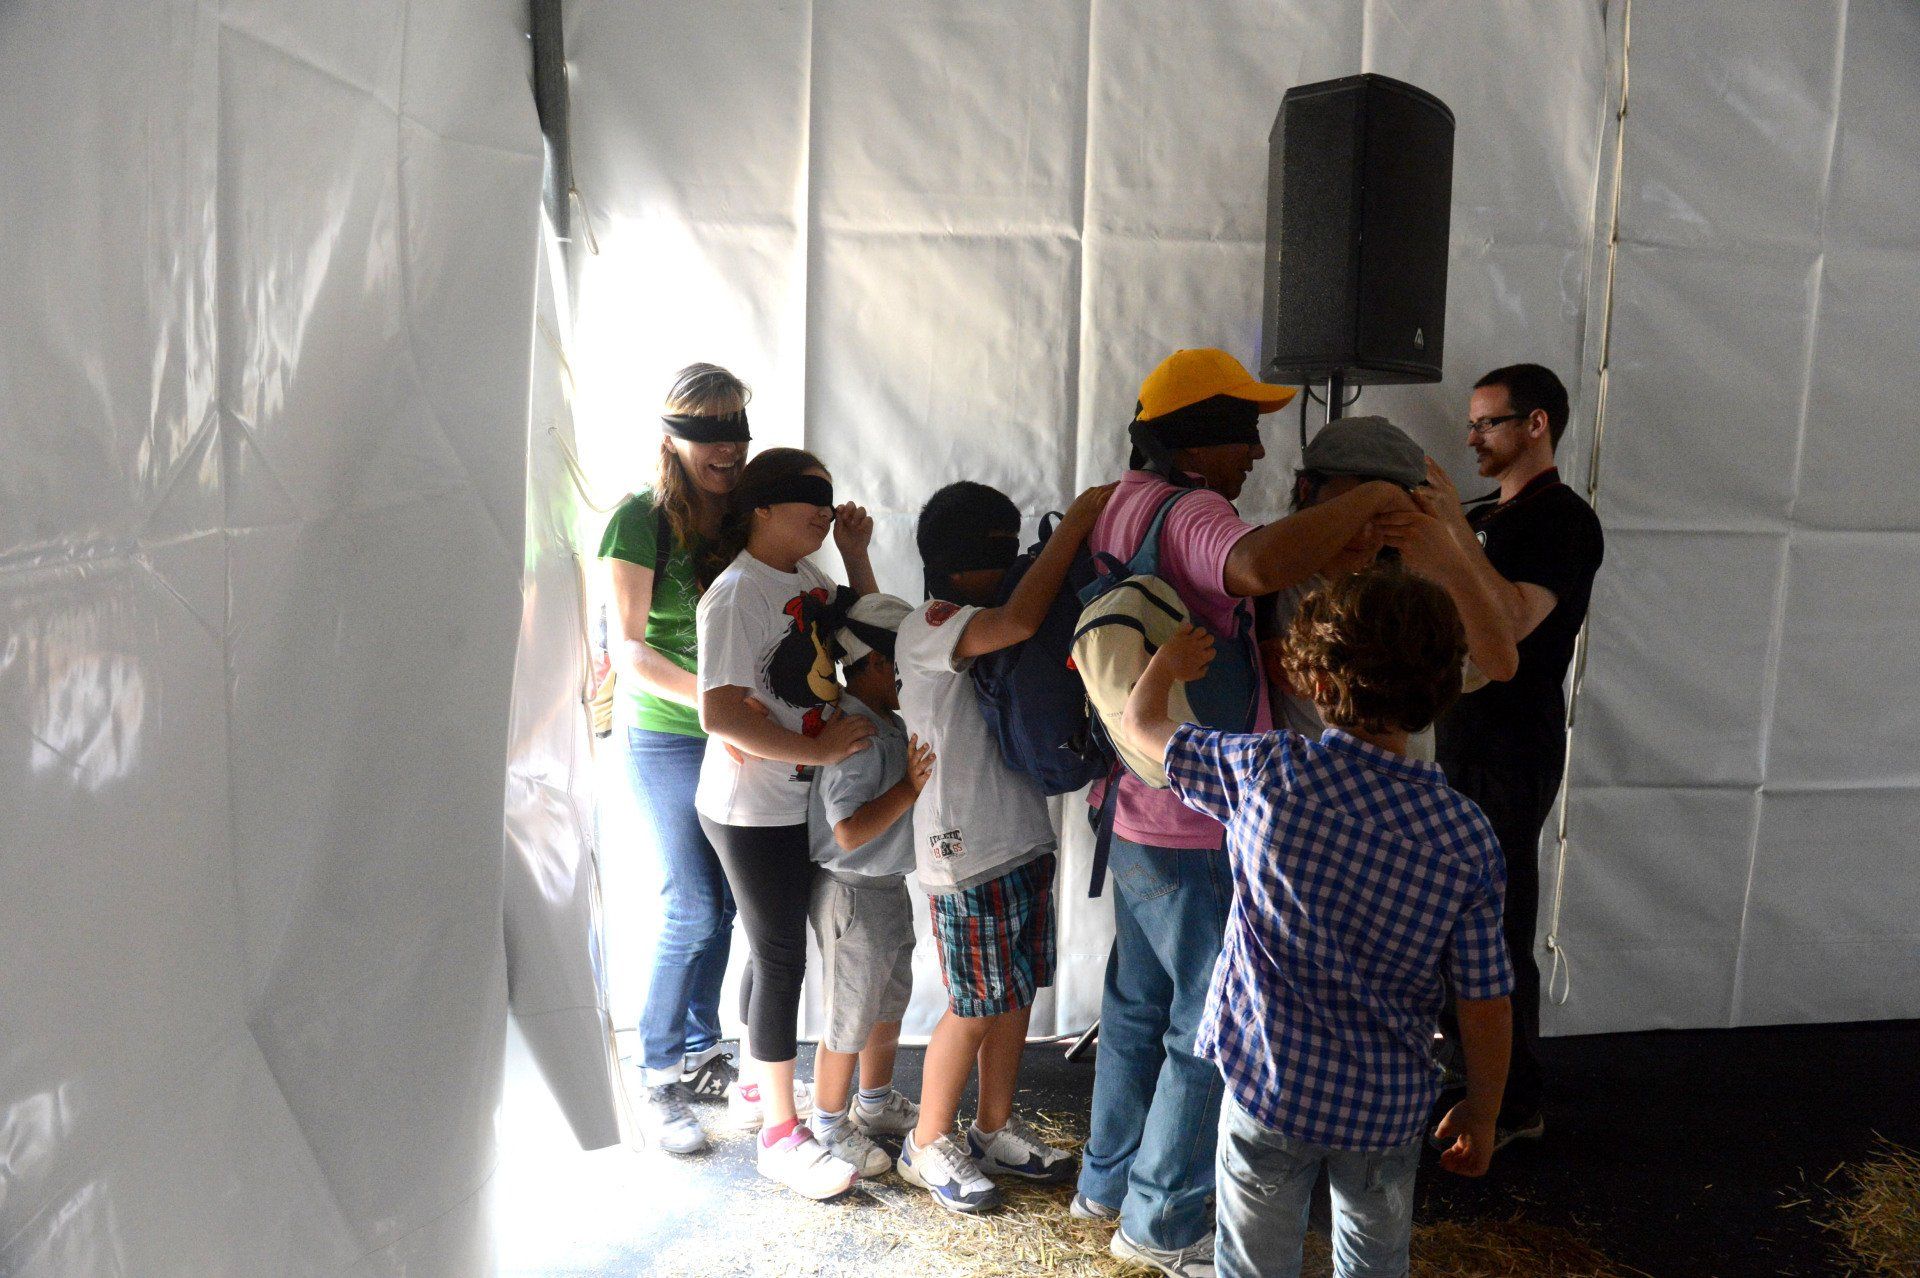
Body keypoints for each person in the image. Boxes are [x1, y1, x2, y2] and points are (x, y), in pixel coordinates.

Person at [1076, 349, 1417, 1278]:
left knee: (1136, 1008)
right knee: (1204, 1028)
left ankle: (1106, 1184)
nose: (1260, 451)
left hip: (1132, 802)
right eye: (1244, 433)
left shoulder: (1127, 502)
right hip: (1195, 818)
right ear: (1199, 440)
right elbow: (1256, 563)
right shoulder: (1195, 511)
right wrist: (1374, 498)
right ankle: (1161, 1222)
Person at [1122, 570, 1515, 1278]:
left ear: (1317, 681)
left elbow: (1142, 726)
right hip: (1386, 1108)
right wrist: (1484, 1110)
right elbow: (1484, 999)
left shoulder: (1265, 773)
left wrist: (1165, 665)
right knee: (1374, 1264)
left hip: (1269, 1089)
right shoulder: (1466, 837)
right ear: (1441, 689)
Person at [893, 479, 1115, 1214]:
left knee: (1013, 996)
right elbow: (1020, 622)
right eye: (1004, 550)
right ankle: (926, 1143)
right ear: (961, 562)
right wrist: (1075, 524)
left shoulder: (976, 615)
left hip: (1020, 835)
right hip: (962, 855)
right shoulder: (931, 624)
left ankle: (992, 1129)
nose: (1016, 562)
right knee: (975, 1004)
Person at [1399, 364, 1604, 1148]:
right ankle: (1472, 1078)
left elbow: (1512, 621)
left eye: (1489, 423)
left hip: (1514, 742)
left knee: (1498, 922)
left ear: (1536, 424)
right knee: (1452, 917)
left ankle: (1514, 1102)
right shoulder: (1486, 514)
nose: (1474, 437)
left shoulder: (1563, 521)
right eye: (1473, 424)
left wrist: (1452, 531)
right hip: (1459, 733)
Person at [694, 447, 881, 1200]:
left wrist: (857, 555)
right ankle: (779, 1132)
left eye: (829, 496)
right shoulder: (736, 593)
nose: (825, 509)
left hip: (793, 799)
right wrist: (821, 748)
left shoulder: (804, 578)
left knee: (768, 943)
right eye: (810, 495)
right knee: (780, 956)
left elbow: (871, 635)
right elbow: (718, 714)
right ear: (762, 506)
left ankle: (753, 1082)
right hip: (750, 808)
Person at [599, 363, 752, 1155]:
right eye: (708, 432)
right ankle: (657, 1077)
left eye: (737, 429)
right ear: (672, 437)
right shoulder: (639, 519)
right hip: (667, 732)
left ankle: (700, 1050)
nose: (727, 447)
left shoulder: (747, 511)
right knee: (691, 903)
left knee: (723, 903)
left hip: (738, 734)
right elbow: (627, 649)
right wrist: (712, 701)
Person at [1265, 414, 1518, 756]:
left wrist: (1451, 561)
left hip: (1401, 785)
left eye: (1384, 516)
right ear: (1307, 490)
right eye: (1352, 509)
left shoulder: (1405, 595)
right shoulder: (1273, 573)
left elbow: (1501, 664)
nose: (1366, 534)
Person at [802, 593, 932, 1180]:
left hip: (885, 888)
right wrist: (908, 789)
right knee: (849, 1017)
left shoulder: (887, 722)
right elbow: (848, 830)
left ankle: (874, 1104)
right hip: (852, 893)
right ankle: (828, 1123)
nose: (913, 676)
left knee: (887, 1004)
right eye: (906, 662)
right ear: (878, 663)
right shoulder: (857, 734)